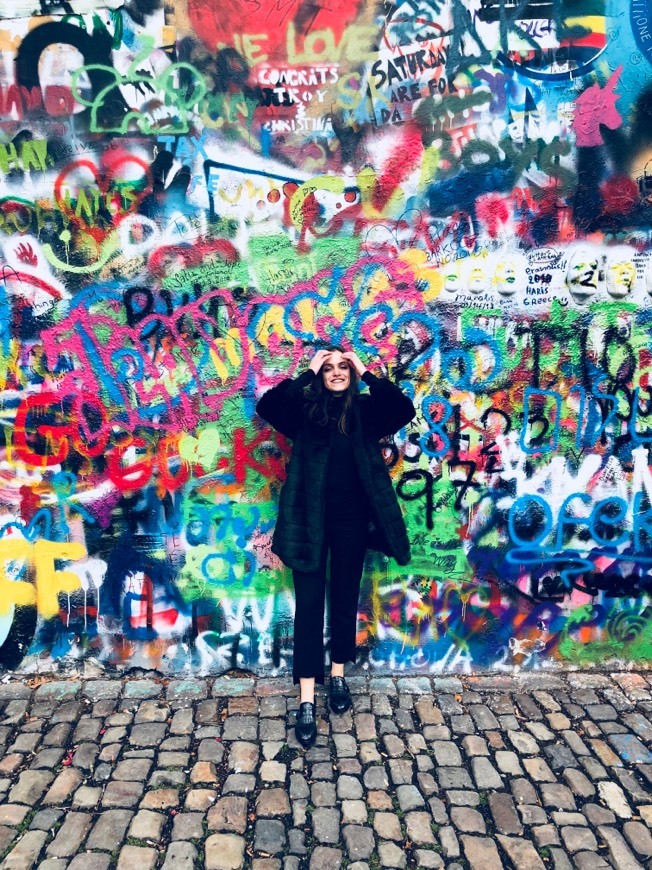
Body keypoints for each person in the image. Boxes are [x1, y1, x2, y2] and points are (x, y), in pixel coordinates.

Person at [256, 346, 416, 748]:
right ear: (320, 375)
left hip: (351, 524)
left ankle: (339, 676)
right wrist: (309, 370)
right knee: (309, 608)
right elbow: (269, 406)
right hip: (309, 523)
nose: (336, 373)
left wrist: (364, 368)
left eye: (342, 367)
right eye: (330, 368)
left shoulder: (365, 413)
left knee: (345, 600)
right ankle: (307, 698)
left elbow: (402, 408)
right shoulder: (307, 413)